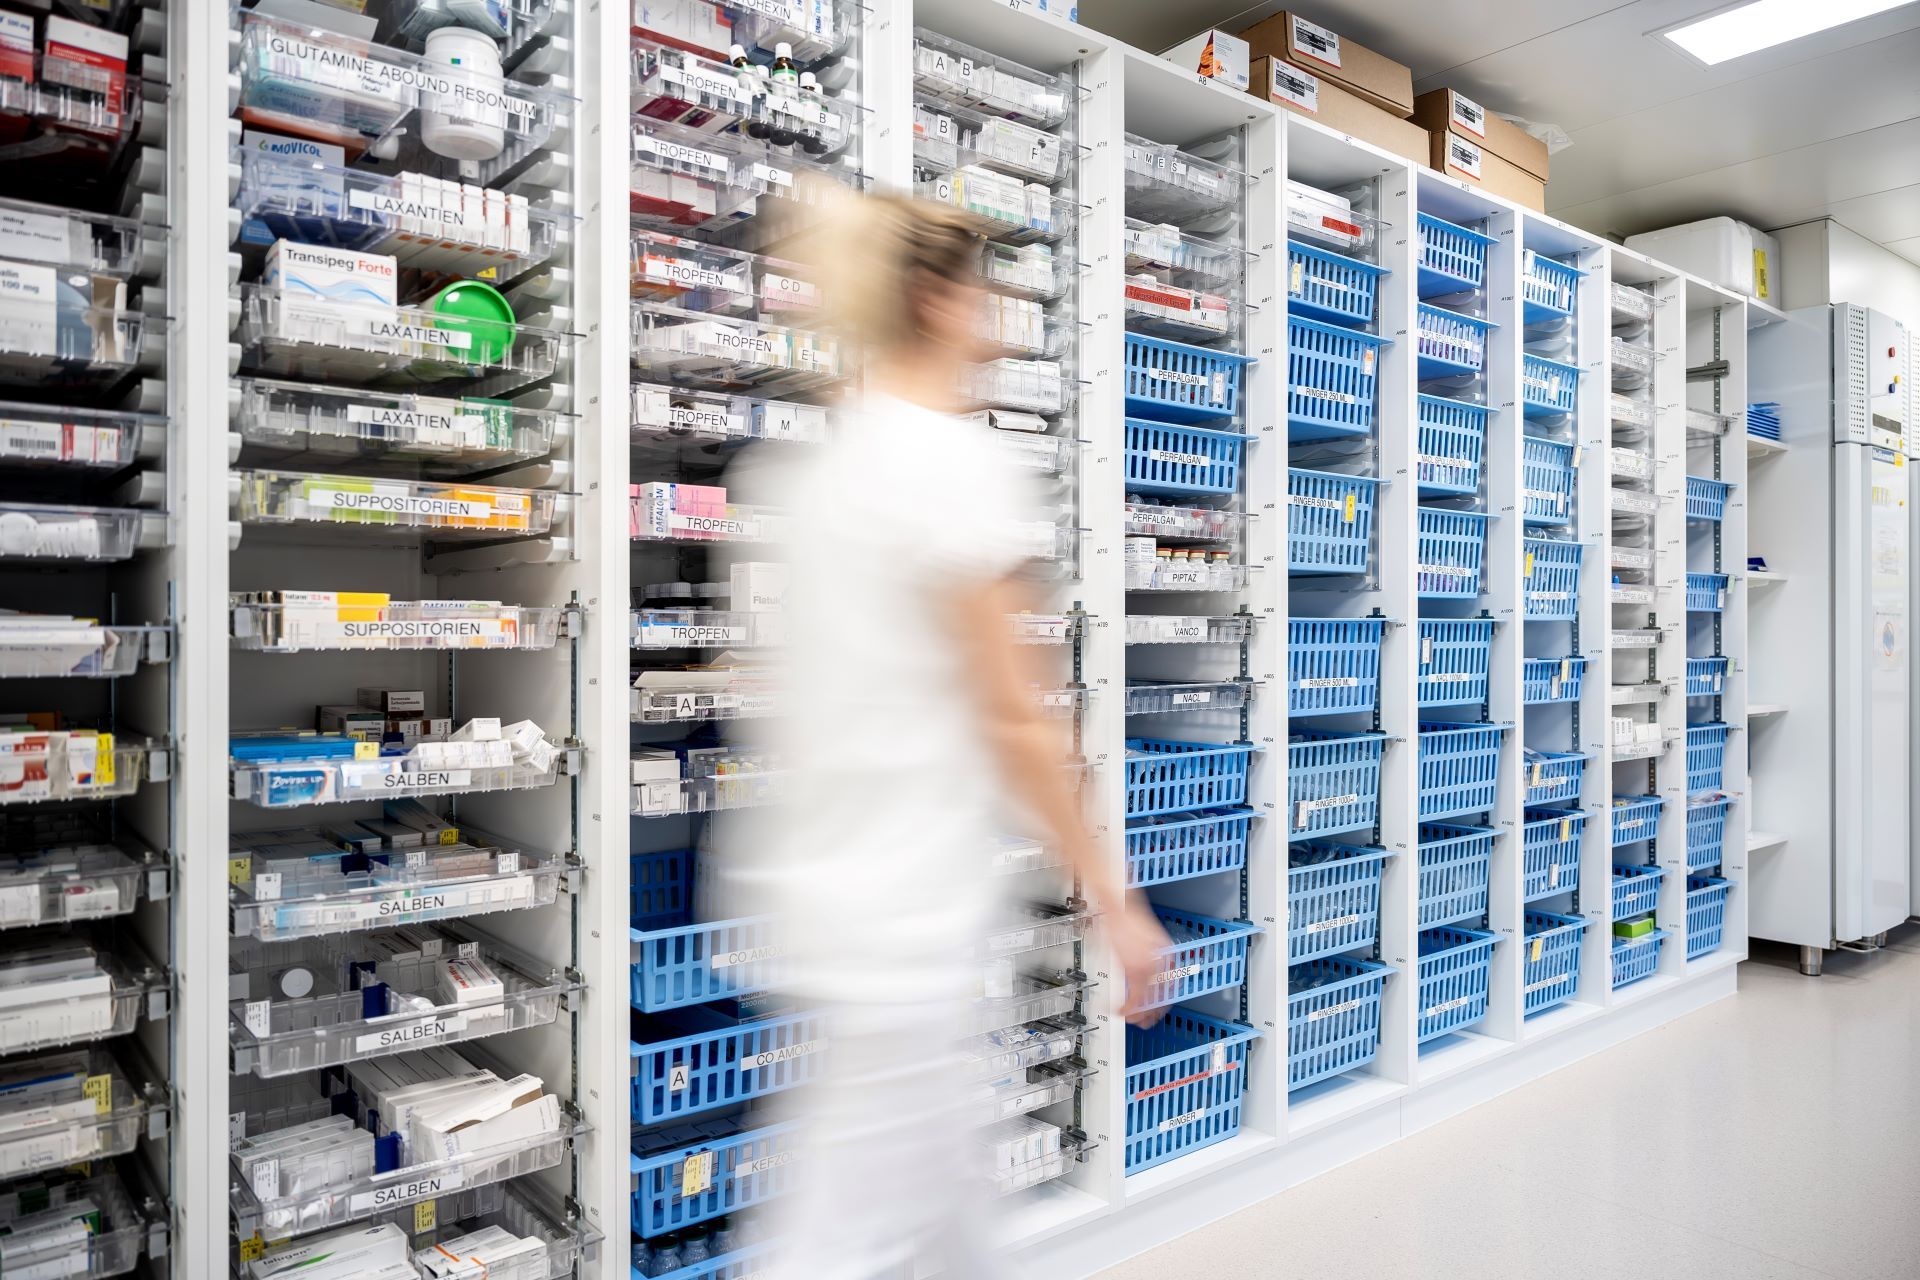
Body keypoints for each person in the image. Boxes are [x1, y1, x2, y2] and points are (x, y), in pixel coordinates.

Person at [714, 189, 1171, 1279]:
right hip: (904, 911)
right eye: (991, 291)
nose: (1003, 316)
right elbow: (1015, 714)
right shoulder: (956, 466)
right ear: (941, 300)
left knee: (939, 1219)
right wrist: (1118, 903)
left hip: (828, 891)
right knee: (841, 1238)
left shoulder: (809, 472)